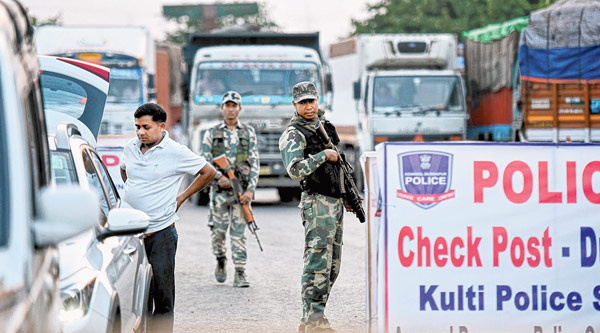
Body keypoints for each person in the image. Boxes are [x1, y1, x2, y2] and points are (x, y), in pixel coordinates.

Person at [119, 103, 216, 333]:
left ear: (161, 126)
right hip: (130, 235)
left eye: (146, 127)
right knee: (135, 297)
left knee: (162, 297)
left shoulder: (175, 151)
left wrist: (181, 198)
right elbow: (124, 170)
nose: (140, 132)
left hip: (160, 233)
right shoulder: (131, 147)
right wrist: (134, 191)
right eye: (137, 127)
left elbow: (209, 172)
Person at [279, 81, 346, 332]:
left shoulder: (325, 127)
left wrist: (347, 196)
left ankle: (317, 316)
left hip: (334, 201)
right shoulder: (293, 133)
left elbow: (338, 165)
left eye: (312, 101)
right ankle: (312, 320)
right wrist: (321, 156)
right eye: (303, 102)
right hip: (316, 203)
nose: (309, 106)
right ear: (294, 105)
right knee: (317, 262)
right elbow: (294, 170)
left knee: (333, 266)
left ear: (318, 100)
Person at [201, 91, 259, 288]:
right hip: (218, 194)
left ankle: (241, 272)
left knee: (239, 233)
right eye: (228, 105)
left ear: (239, 109)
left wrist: (250, 190)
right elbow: (205, 162)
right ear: (222, 108)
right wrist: (220, 177)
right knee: (217, 234)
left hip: (241, 193)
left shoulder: (248, 132)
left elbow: (255, 162)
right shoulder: (212, 133)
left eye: (235, 106)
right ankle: (220, 259)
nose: (231, 109)